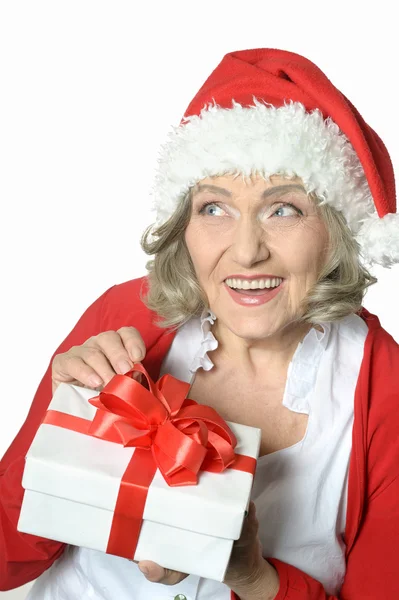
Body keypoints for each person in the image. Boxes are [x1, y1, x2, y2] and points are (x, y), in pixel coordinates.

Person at [1, 48, 399, 600]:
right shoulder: (131, 316)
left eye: (283, 209)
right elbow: (8, 552)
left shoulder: (385, 389)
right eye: (215, 208)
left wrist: (254, 578)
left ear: (335, 229)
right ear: (183, 222)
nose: (245, 252)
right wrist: (62, 423)